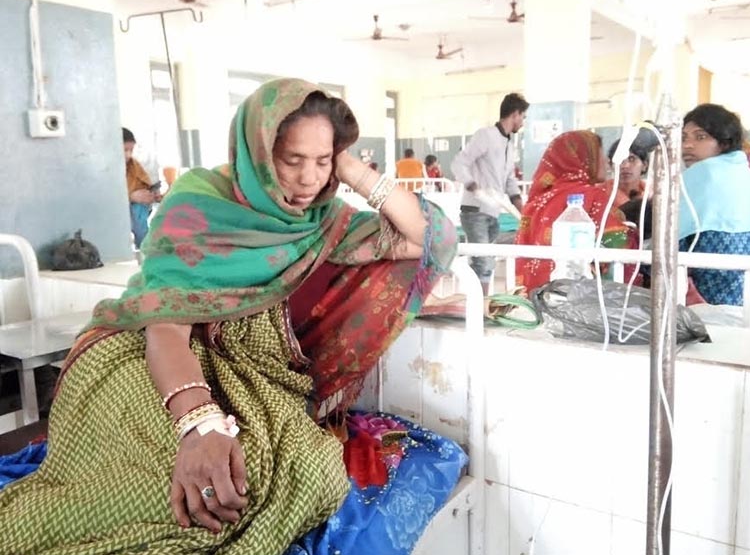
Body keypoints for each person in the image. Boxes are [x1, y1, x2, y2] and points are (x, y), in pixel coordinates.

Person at [0, 78, 457, 554]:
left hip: (247, 373)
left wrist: (351, 169)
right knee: (177, 482)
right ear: (258, 152)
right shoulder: (198, 205)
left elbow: (429, 240)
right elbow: (166, 329)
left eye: (322, 161)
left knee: (300, 471)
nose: (308, 179)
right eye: (292, 159)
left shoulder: (323, 222)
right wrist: (201, 427)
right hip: (147, 358)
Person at [515, 130, 634, 292]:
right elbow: (617, 242)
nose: (606, 161)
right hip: (575, 295)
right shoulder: (592, 196)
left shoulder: (536, 202)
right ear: (584, 158)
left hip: (532, 294)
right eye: (599, 154)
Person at [679, 103, 750, 310]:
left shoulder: (703, 174)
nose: (688, 145)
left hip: (713, 295)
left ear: (724, 142)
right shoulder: (742, 173)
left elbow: (673, 245)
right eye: (684, 138)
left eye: (700, 137)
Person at [451, 92, 529, 294]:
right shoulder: (485, 136)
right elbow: (459, 163)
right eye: (523, 116)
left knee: (486, 263)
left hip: (493, 211)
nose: (523, 122)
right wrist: (474, 187)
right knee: (483, 263)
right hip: (475, 210)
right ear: (514, 114)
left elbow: (509, 179)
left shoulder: (509, 144)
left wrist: (521, 206)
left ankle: (479, 303)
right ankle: (480, 305)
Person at [123, 127, 162, 249]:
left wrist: (152, 195)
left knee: (139, 209)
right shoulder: (104, 169)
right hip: (118, 212)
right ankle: (144, 246)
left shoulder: (133, 165)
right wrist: (130, 197)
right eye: (125, 150)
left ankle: (145, 246)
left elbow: (144, 183)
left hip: (138, 208)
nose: (128, 154)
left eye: (131, 150)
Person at [604, 130, 654, 208]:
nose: (625, 166)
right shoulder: (600, 194)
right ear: (611, 165)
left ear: (644, 165)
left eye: (632, 159)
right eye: (620, 160)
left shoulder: (653, 196)